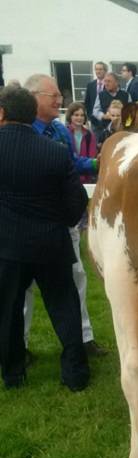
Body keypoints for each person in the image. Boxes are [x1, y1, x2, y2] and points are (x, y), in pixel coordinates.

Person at [0, 85, 90, 390]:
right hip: (51, 240)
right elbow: (77, 199)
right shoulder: (55, 151)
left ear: (2, 113)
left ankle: (13, 375)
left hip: (7, 245)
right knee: (65, 306)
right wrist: (60, 221)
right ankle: (75, 373)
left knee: (8, 310)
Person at [23, 74, 106, 358]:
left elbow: (71, 165)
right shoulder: (17, 131)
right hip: (26, 223)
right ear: (34, 98)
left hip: (61, 222)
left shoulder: (60, 132)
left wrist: (96, 161)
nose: (60, 101)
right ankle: (19, 346)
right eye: (54, 96)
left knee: (77, 276)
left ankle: (83, 338)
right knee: (23, 289)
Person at [65, 102, 97, 183]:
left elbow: (91, 157)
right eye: (76, 115)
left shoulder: (90, 135)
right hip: (68, 177)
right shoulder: (63, 133)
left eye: (82, 115)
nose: (79, 118)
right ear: (70, 116)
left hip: (86, 178)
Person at [83, 62, 107, 140]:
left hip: (106, 120)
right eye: (96, 69)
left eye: (100, 69)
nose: (98, 71)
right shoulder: (90, 85)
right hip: (94, 121)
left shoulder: (109, 84)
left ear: (105, 71)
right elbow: (87, 103)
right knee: (95, 144)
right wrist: (89, 117)